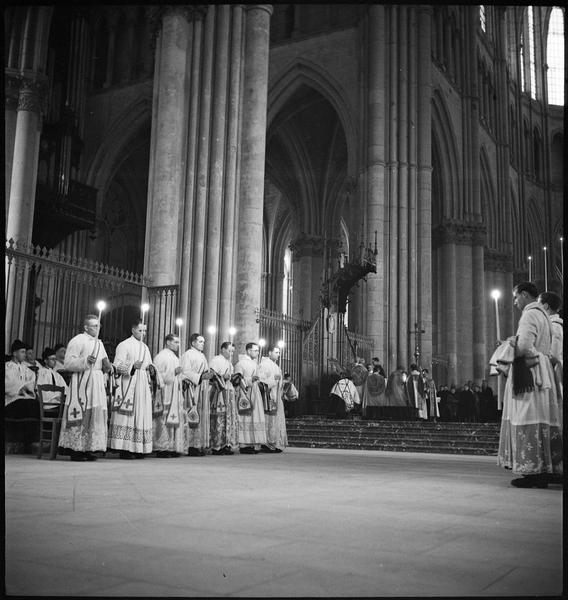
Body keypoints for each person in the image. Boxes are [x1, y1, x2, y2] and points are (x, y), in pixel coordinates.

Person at [497, 282, 563, 488]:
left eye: (516, 297)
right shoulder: (545, 315)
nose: (515, 302)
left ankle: (532, 472)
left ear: (525, 295)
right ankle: (545, 469)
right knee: (541, 419)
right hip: (542, 372)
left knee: (526, 417)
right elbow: (550, 352)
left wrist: (509, 344)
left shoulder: (529, 314)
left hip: (530, 373)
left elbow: (525, 346)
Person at [58, 315, 113, 461]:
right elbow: (68, 363)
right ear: (86, 327)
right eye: (94, 326)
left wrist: (108, 366)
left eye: (98, 326)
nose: (97, 328)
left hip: (96, 382)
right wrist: (85, 361)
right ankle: (76, 450)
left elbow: (104, 362)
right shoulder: (77, 340)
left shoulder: (99, 344)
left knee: (94, 414)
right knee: (82, 413)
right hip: (82, 382)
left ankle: (89, 448)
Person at [108, 320, 155, 459]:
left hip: (142, 385)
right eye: (140, 331)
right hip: (128, 385)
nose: (143, 333)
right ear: (133, 330)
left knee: (141, 414)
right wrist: (132, 366)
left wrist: (151, 369)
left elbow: (149, 366)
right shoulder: (124, 345)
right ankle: (125, 449)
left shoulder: (145, 348)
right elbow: (117, 366)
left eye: (145, 331)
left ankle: (138, 448)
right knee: (128, 417)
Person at [152, 334, 187, 458]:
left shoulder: (174, 357)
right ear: (167, 342)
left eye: (178, 342)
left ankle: (172, 446)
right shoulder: (161, 357)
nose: (178, 345)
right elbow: (158, 377)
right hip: (165, 392)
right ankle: (162, 448)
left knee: (174, 417)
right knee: (163, 419)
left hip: (175, 393)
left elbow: (179, 377)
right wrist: (173, 373)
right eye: (176, 342)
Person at [180, 333, 214, 456]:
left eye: (203, 342)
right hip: (191, 390)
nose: (203, 344)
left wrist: (208, 375)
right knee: (191, 416)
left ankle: (198, 444)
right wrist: (200, 377)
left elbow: (205, 371)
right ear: (193, 343)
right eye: (200, 341)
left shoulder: (203, 356)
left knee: (201, 416)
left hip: (201, 389)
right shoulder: (187, 355)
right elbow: (185, 372)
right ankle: (190, 445)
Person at [234, 342, 267, 454]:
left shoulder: (255, 364)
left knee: (254, 417)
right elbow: (237, 380)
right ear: (248, 351)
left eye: (258, 351)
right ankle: (244, 444)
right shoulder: (240, 364)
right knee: (246, 418)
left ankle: (253, 442)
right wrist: (250, 380)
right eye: (255, 350)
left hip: (255, 392)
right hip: (245, 394)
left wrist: (258, 380)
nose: (257, 353)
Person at [209, 342, 239, 456]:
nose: (231, 353)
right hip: (219, 392)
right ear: (222, 349)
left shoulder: (229, 363)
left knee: (228, 419)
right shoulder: (216, 360)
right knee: (219, 418)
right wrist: (222, 376)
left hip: (229, 393)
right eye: (229, 350)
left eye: (232, 351)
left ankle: (227, 444)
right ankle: (217, 445)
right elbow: (212, 375)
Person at [258, 344, 287, 452]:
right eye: (276, 352)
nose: (278, 355)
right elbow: (261, 381)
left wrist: (280, 382)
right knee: (268, 419)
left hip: (276, 396)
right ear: (269, 353)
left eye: (279, 353)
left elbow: (278, 382)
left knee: (274, 420)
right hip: (268, 397)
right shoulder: (264, 364)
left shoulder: (276, 366)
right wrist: (274, 381)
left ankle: (274, 442)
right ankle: (266, 442)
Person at [538, 291, 563, 415]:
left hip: (555, 373)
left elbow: (554, 355)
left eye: (538, 304)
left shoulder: (555, 326)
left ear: (546, 306)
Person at [36, 347, 69, 412]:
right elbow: (41, 390)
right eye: (52, 359)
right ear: (45, 360)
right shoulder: (41, 373)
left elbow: (65, 388)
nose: (54, 361)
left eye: (55, 359)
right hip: (48, 404)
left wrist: (64, 396)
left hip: (60, 403)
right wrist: (56, 396)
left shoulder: (57, 375)